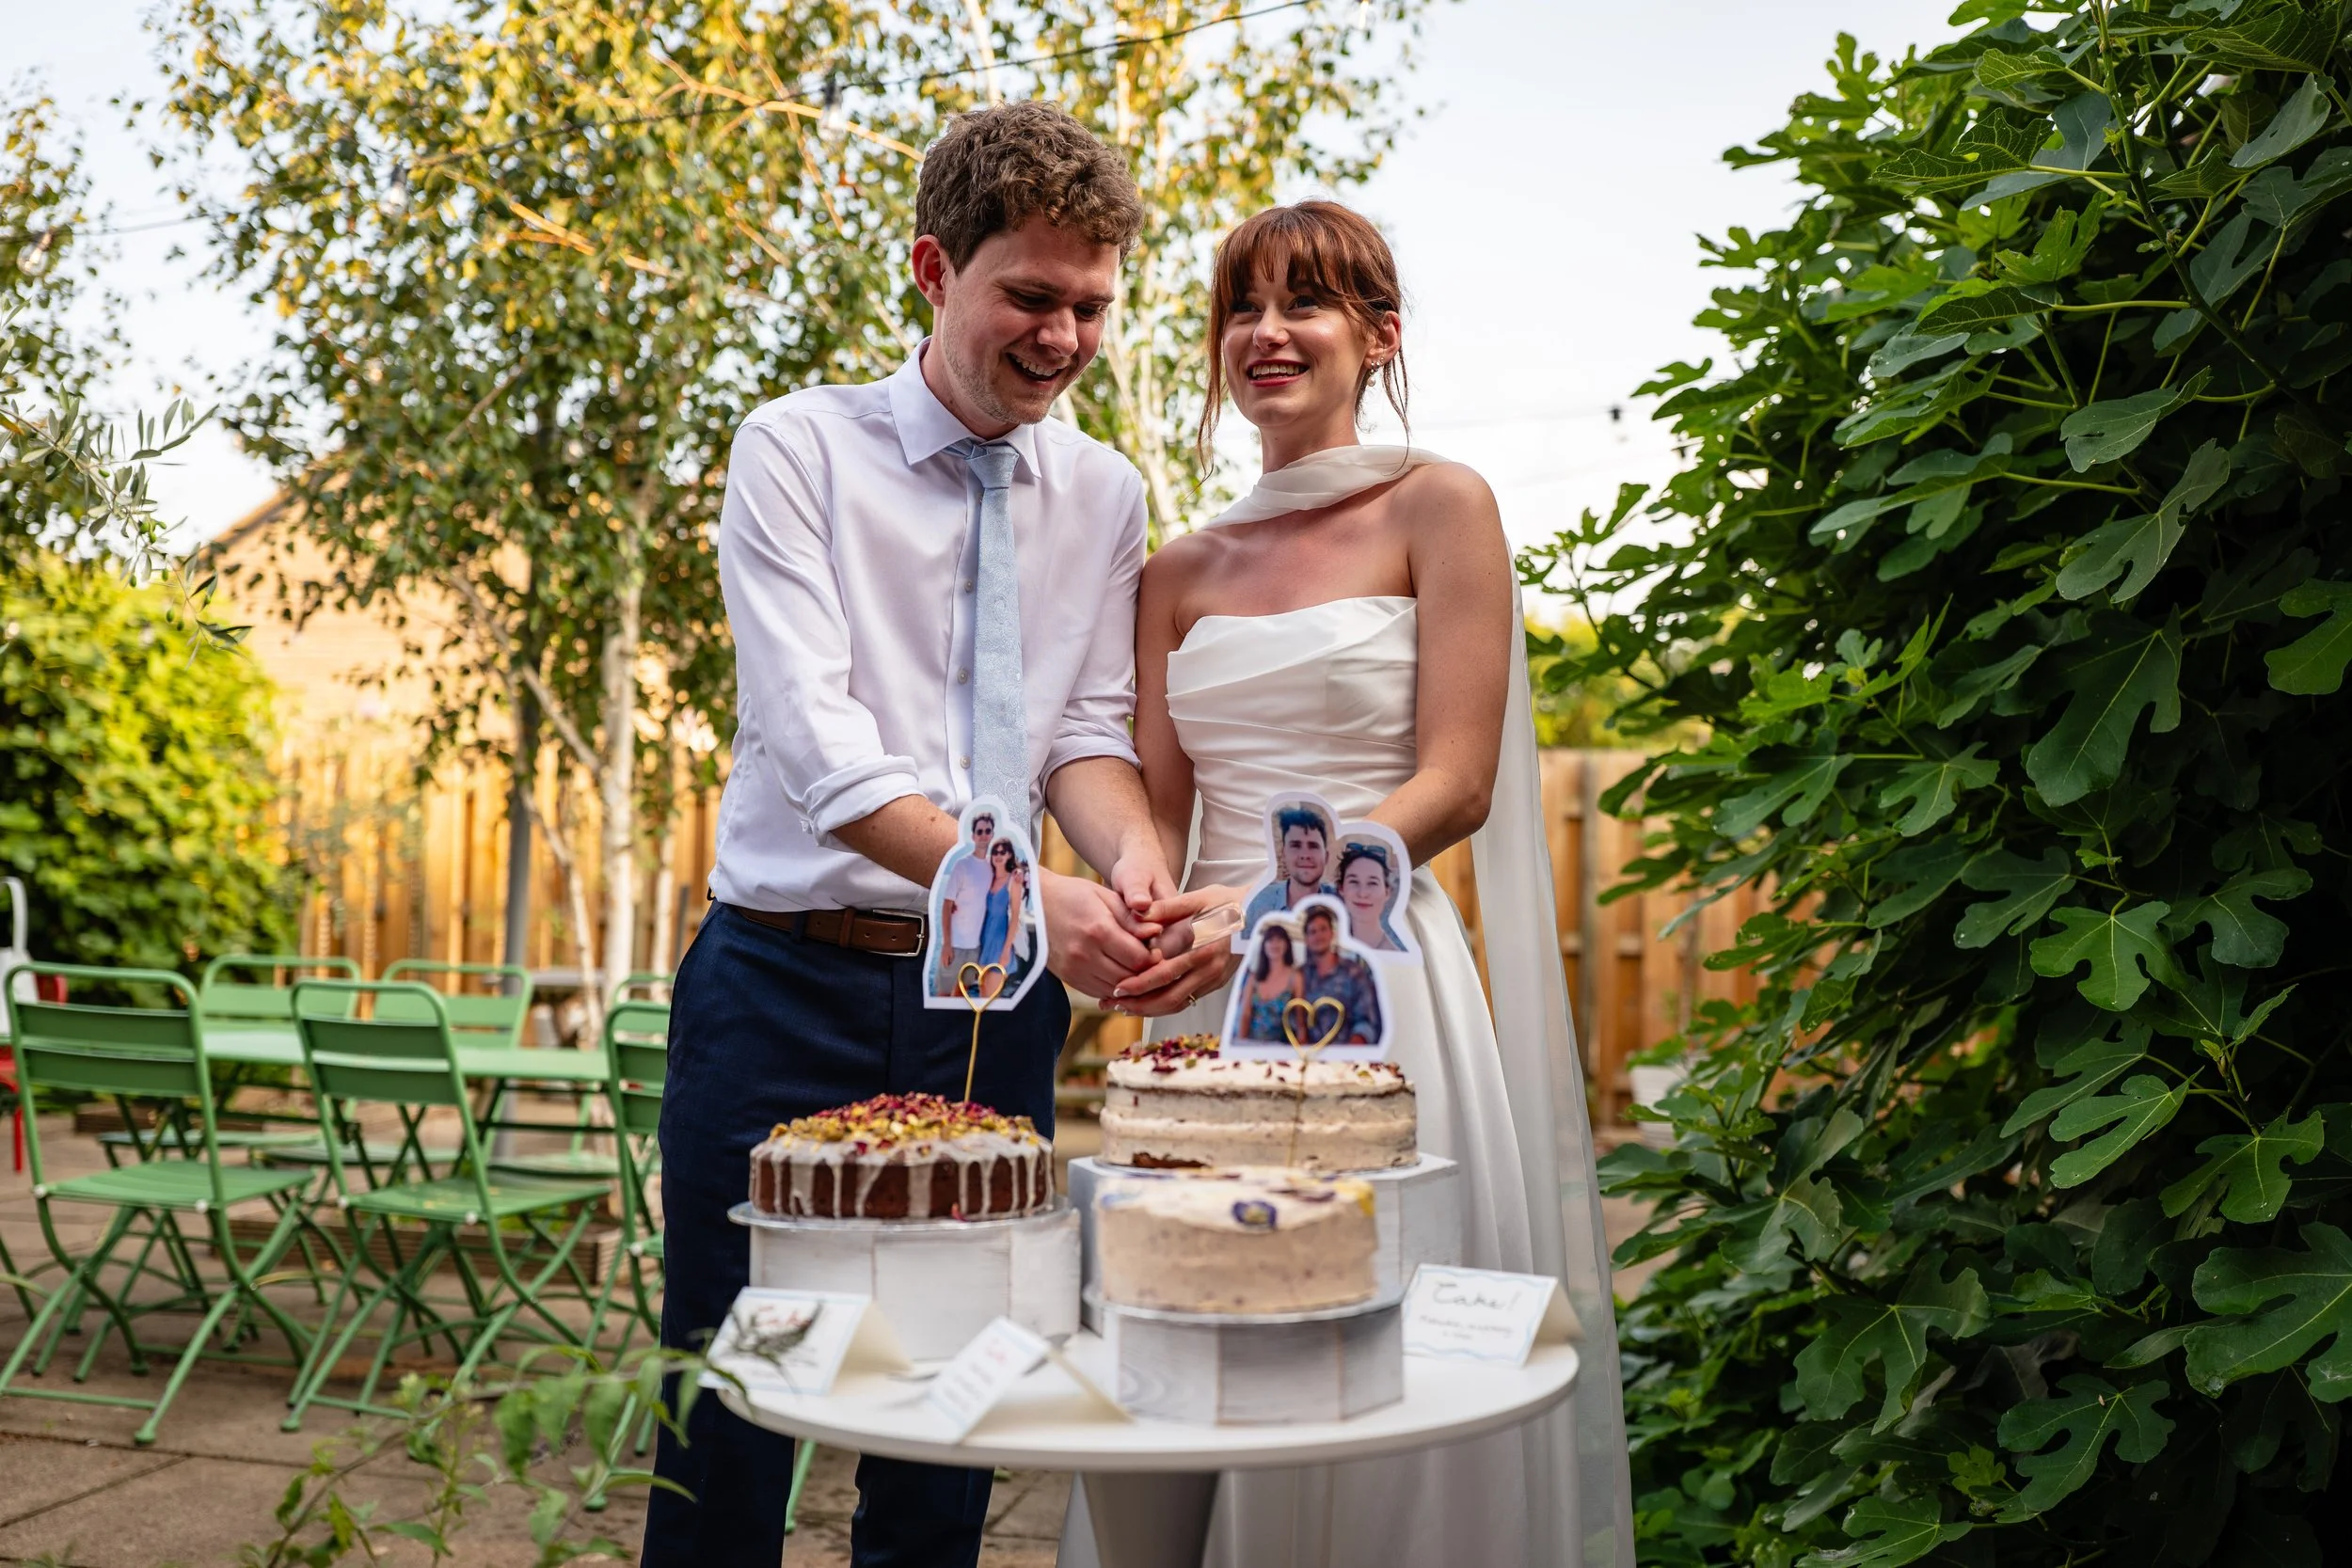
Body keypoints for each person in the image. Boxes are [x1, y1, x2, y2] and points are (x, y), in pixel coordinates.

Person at [652, 102, 1179, 1568]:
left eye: (1091, 306)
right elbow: (817, 745)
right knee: (730, 1392)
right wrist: (1020, 895)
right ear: (934, 270)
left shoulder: (1106, 490)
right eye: (1031, 295)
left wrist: (1125, 865)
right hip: (782, 978)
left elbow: (1083, 735)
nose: (1064, 337)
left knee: (959, 1400)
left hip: (988, 1012)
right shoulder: (796, 448)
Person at [1071, 199, 1635, 1566]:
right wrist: (1144, 914)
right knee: (1193, 1338)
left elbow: (1456, 781)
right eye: (1241, 307)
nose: (1266, 332)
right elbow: (1151, 803)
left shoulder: (1443, 506)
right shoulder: (1177, 568)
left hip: (1371, 975)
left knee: (1370, 1332)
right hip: (1204, 1000)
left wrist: (1268, 894)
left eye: (1304, 302)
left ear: (1377, 336)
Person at [1295, 902, 1380, 1044]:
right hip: (1307, 1057)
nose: (1318, 936)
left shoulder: (1354, 973)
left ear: (1332, 933)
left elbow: (1366, 1022)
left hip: (1347, 1056)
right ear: (1306, 939)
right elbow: (1292, 1020)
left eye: (1323, 929)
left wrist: (1352, 1049)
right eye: (1312, 931)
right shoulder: (1299, 975)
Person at [1241, 804, 1334, 931]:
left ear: (1326, 856)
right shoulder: (1260, 903)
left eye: (1313, 846)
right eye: (1296, 845)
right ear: (1284, 853)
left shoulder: (1343, 902)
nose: (1305, 855)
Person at [935, 812, 997, 994]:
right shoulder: (961, 866)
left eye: (988, 831)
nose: (984, 835)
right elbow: (947, 906)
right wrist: (947, 944)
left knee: (963, 994)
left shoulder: (992, 867)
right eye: (980, 831)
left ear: (992, 834)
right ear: (973, 836)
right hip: (956, 944)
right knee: (944, 994)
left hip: (976, 946)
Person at [1239, 923, 1306, 1042]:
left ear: (1287, 945)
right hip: (1252, 1046)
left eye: (1279, 940)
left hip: (1282, 1048)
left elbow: (1300, 1018)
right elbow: (1245, 1015)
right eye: (1270, 940)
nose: (1275, 944)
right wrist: (1240, 1046)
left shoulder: (1295, 977)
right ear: (1264, 946)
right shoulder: (1253, 978)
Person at [1335, 840, 1406, 952]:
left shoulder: (1396, 954)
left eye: (1372, 883)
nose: (1362, 893)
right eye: (1354, 882)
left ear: (1387, 892)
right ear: (1341, 888)